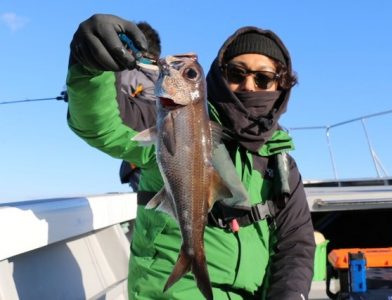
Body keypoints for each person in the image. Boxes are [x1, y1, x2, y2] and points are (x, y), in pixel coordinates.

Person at [67, 13, 315, 300]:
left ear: (279, 88)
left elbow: (296, 243)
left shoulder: (281, 163)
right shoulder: (164, 118)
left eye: (263, 78)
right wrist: (87, 67)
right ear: (219, 76)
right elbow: (100, 126)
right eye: (237, 74)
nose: (249, 86)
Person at [117, 21, 161, 192]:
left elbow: (110, 98)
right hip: (160, 157)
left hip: (143, 158)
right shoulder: (163, 76)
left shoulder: (130, 73)